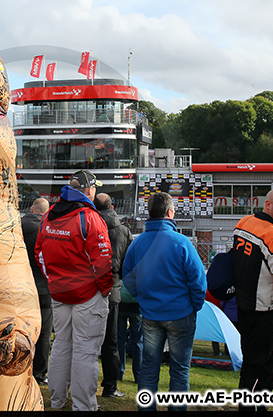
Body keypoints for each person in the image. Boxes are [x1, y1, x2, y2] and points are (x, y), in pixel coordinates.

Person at [35, 170, 113, 411]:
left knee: (60, 346)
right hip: (87, 296)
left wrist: (54, 282)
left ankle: (57, 401)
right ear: (89, 190)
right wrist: (104, 290)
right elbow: (103, 261)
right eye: (94, 188)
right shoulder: (90, 218)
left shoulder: (49, 216)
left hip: (59, 294)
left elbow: (40, 254)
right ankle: (84, 406)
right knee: (85, 351)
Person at [122, 192, 206, 411]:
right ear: (170, 212)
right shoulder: (181, 242)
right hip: (179, 314)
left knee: (149, 369)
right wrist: (194, 305)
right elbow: (198, 280)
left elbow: (128, 277)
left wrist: (142, 297)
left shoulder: (138, 243)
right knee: (179, 370)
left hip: (151, 313)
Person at [231, 188, 273, 411]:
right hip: (266, 311)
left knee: (250, 366)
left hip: (244, 306)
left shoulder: (245, 222)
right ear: (267, 205)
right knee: (265, 369)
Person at [95, 192, 132, 398]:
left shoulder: (89, 225)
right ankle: (110, 386)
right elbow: (128, 265)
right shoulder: (124, 231)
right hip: (112, 291)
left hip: (92, 290)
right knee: (111, 341)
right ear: (112, 206)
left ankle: (89, 384)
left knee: (87, 340)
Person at [20, 197, 52, 386]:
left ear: (32, 209)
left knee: (21, 330)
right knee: (44, 333)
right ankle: (40, 373)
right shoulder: (49, 230)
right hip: (44, 288)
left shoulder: (17, 227)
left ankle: (20, 367)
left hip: (22, 287)